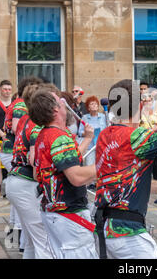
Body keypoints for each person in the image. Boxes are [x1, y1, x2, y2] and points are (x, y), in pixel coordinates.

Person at [94, 78, 157, 259]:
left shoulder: (105, 135)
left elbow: (125, 178)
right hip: (127, 234)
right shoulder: (136, 136)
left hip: (105, 229)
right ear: (141, 104)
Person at [30, 88, 98, 259]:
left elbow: (37, 175)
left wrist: (88, 139)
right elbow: (76, 177)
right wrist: (109, 166)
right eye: (60, 100)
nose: (64, 102)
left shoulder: (43, 136)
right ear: (55, 109)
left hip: (54, 212)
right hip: (68, 213)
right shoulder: (59, 137)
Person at [6, 84, 54, 259]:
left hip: (16, 181)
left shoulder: (25, 119)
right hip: (26, 183)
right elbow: (35, 160)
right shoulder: (36, 124)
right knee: (44, 240)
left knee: (31, 241)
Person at [78, 96, 107, 165]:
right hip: (90, 147)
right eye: (92, 104)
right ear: (88, 108)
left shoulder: (103, 116)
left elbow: (107, 129)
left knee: (101, 165)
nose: (94, 105)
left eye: (96, 104)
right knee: (90, 165)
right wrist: (88, 134)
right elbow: (80, 132)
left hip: (101, 146)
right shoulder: (85, 118)